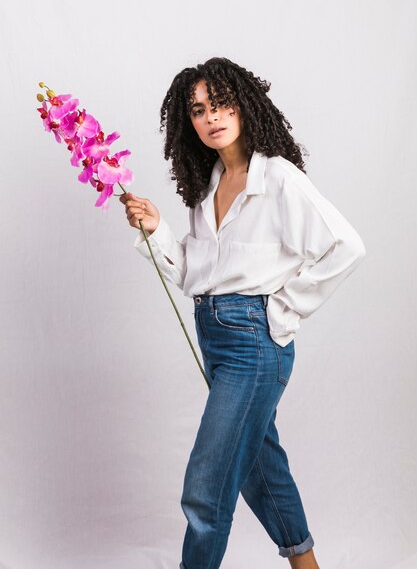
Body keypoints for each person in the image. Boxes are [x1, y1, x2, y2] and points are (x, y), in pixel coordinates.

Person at [119, 57, 366, 569]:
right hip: (216, 338)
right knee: (258, 466)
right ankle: (307, 564)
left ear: (245, 103)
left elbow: (346, 246)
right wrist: (157, 227)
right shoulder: (206, 185)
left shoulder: (277, 178)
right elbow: (195, 274)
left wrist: (282, 310)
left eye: (222, 103)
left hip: (255, 344)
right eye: (198, 109)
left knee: (207, 486)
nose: (212, 117)